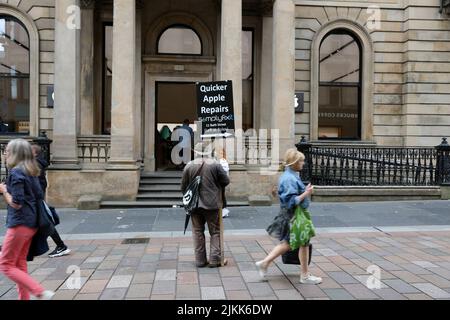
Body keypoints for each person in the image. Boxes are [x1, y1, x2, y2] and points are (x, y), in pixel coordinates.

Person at [255, 148, 322, 285]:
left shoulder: (290, 176)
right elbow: (292, 201)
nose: (303, 163)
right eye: (301, 161)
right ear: (294, 163)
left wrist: (304, 190)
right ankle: (304, 275)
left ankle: (265, 263)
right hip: (293, 217)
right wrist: (307, 192)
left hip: (291, 216)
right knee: (301, 242)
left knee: (292, 243)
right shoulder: (289, 178)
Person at [0, 139, 55, 300]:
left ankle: (39, 292)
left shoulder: (16, 173)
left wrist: (4, 191)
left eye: (7, 151)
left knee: (6, 264)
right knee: (19, 263)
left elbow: (16, 203)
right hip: (31, 223)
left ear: (15, 153)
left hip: (19, 223)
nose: (5, 153)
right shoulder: (31, 171)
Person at [181, 142, 230, 268]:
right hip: (212, 204)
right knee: (215, 231)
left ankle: (200, 260)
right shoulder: (215, 165)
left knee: (197, 231)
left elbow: (184, 187)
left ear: (195, 151)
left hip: (195, 205)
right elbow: (226, 181)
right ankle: (214, 260)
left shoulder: (189, 166)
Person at [31, 144, 70, 258]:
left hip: (35, 199)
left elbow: (37, 183)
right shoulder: (35, 163)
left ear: (34, 153)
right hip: (36, 198)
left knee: (45, 223)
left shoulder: (35, 164)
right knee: (40, 223)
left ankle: (61, 246)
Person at [217, 148, 230, 218]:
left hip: (221, 181)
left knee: (221, 195)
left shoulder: (223, 161)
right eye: (219, 153)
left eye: (221, 153)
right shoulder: (219, 161)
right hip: (220, 181)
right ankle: (222, 210)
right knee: (221, 195)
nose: (220, 154)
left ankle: (223, 210)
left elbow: (226, 172)